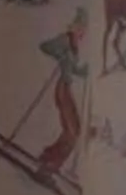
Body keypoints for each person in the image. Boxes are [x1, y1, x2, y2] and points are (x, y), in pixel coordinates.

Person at [32, 11, 87, 179]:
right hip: (62, 89)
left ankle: (49, 155)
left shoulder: (74, 44)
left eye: (83, 29)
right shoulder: (65, 40)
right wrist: (59, 54)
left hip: (66, 88)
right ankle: (49, 166)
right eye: (80, 28)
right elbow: (45, 46)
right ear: (75, 27)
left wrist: (84, 71)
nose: (82, 32)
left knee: (73, 129)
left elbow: (71, 67)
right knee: (73, 132)